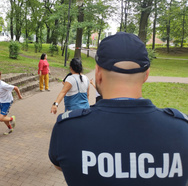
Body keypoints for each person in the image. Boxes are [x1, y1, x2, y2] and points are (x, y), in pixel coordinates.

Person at [49, 32, 188, 186]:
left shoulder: (67, 128)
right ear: (146, 75)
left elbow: (60, 165)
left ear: (98, 73)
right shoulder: (182, 129)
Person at [0, 70, 22, 135]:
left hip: (8, 102)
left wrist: (19, 96)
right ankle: (10, 128)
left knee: (0, 118)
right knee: (4, 118)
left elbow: (15, 88)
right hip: (1, 101)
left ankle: (12, 119)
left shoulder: (3, 85)